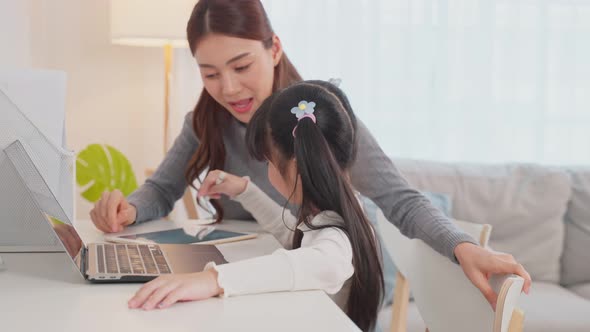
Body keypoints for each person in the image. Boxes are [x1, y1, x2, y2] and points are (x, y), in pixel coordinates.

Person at [91, 0, 531, 312]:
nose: (227, 88)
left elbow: (401, 200)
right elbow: (161, 189)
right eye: (210, 73)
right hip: (252, 278)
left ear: (275, 48)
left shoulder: (317, 121)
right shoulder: (205, 120)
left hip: (310, 293)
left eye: (241, 66)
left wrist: (462, 246)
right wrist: (128, 209)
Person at [128, 81, 384, 331]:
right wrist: (245, 191)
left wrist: (214, 280)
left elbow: (324, 262)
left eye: (268, 162)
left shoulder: (336, 235)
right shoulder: (339, 212)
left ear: (294, 166)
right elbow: (294, 237)